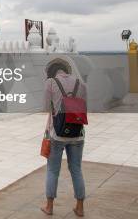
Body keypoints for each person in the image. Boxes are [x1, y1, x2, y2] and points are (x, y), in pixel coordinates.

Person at [41, 58, 87, 217]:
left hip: (57, 134)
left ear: (52, 72)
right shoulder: (80, 83)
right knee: (76, 170)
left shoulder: (50, 83)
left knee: (53, 170)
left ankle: (49, 206)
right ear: (66, 70)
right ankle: (80, 207)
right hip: (77, 133)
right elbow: (84, 106)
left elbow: (46, 107)